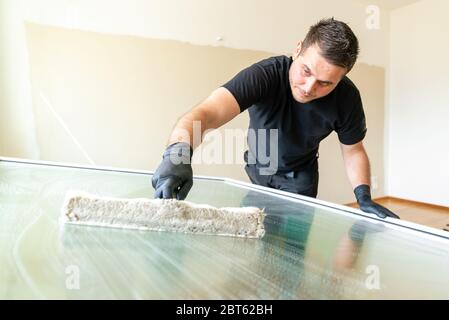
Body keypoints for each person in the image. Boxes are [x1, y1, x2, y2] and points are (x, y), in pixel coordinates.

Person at [151, 18, 399, 219]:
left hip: (300, 177)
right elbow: (207, 113)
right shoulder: (264, 75)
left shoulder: (347, 98)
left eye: (325, 83)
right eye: (306, 71)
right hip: (259, 168)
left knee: (294, 250)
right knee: (256, 235)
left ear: (341, 78)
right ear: (298, 48)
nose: (309, 87)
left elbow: (353, 150)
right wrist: (177, 155)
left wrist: (363, 196)